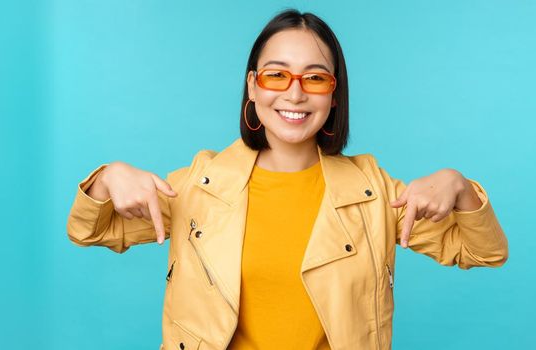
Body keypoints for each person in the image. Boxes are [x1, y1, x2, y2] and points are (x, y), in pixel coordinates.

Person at [65, 9, 508, 350]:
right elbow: (89, 229)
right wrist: (108, 178)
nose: (295, 92)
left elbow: (483, 252)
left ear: (333, 95)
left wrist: (459, 185)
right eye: (277, 74)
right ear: (253, 86)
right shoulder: (198, 186)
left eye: (315, 78)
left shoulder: (374, 194)